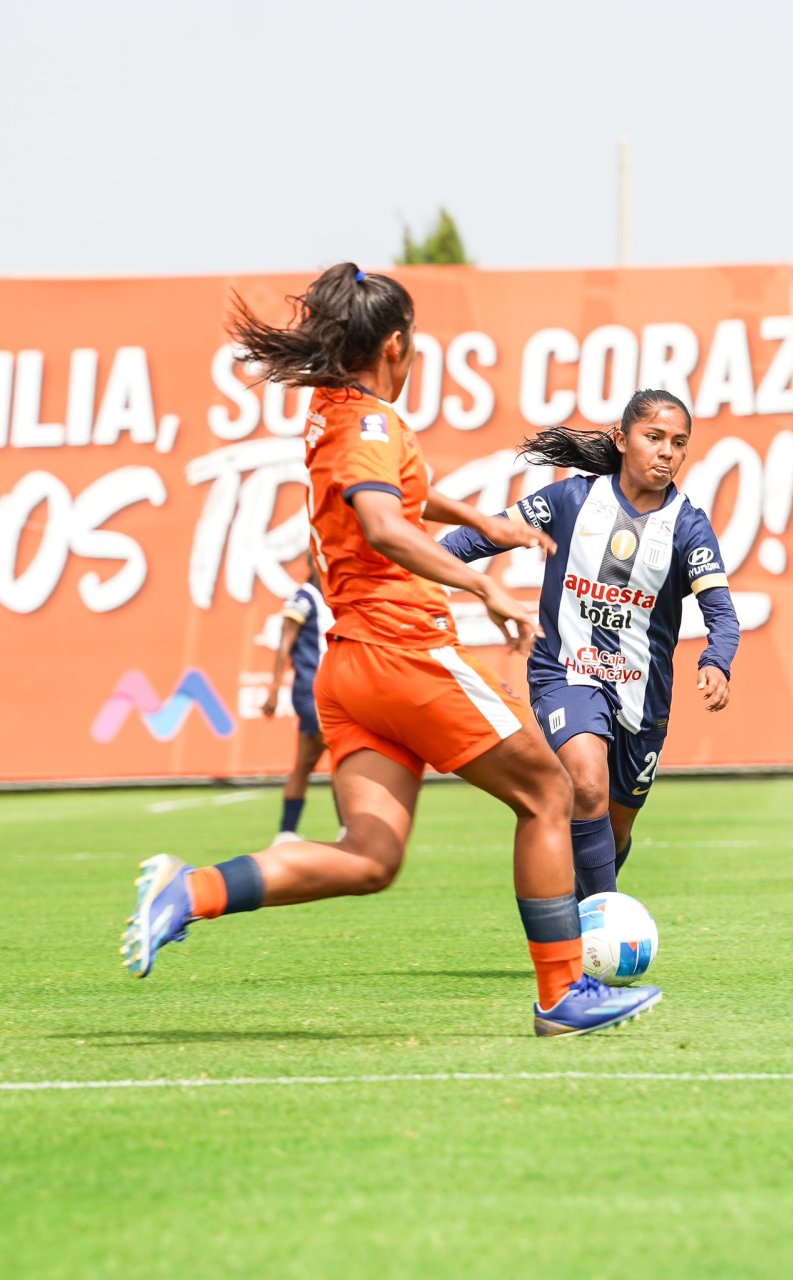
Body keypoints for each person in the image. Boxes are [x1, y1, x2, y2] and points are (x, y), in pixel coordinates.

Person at [120, 262, 660, 1037]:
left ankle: (189, 891)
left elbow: (397, 493)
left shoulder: (338, 411)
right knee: (550, 792)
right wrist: (486, 589)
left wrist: (491, 522)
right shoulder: (370, 423)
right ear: (397, 344)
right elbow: (383, 521)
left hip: (350, 671)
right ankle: (563, 993)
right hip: (403, 651)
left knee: (371, 857)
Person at [441, 388, 740, 901]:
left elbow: (722, 614)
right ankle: (602, 929)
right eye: (654, 437)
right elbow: (481, 537)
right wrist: (421, 568)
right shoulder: (569, 500)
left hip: (643, 697)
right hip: (566, 672)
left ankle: (582, 919)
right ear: (623, 440)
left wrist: (718, 660)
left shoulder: (688, 527)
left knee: (616, 829)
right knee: (586, 784)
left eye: (679, 442)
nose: (667, 451)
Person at [262, 552, 341, 845]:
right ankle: (348, 828)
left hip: (331, 691)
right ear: (314, 564)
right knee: (342, 754)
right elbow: (285, 644)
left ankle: (286, 832)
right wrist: (273, 688)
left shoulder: (333, 599)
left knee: (304, 763)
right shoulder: (303, 598)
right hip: (312, 691)